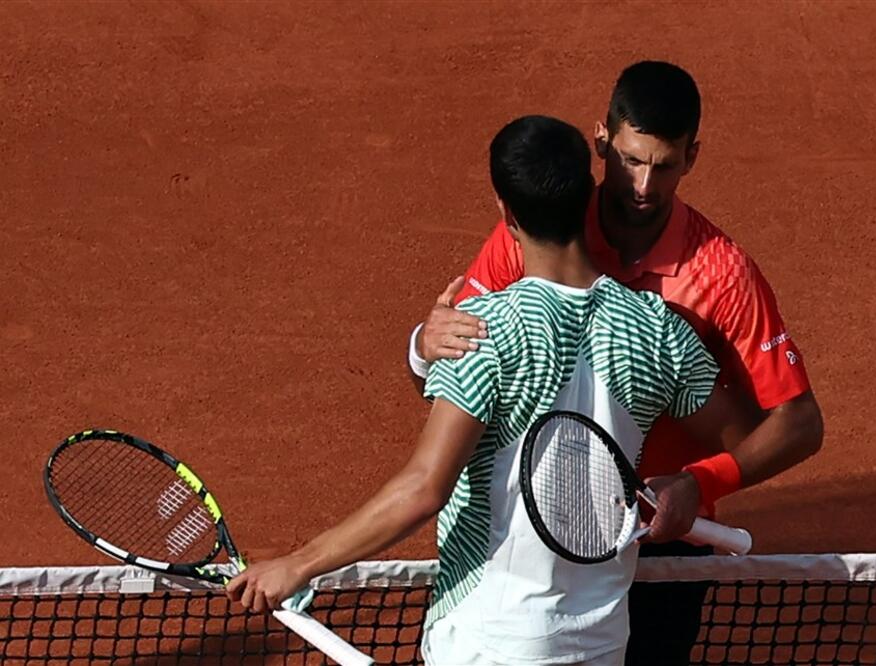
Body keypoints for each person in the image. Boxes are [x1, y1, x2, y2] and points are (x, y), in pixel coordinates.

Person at [228, 115, 760, 665]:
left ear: (504, 211)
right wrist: (693, 485)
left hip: (489, 640)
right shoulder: (657, 328)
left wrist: (299, 564)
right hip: (601, 643)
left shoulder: (483, 332)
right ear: (587, 195)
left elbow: (424, 488)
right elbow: (748, 437)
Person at [407, 61, 825, 664]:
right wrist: (424, 346)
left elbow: (800, 422)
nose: (645, 186)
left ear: (693, 156)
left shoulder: (722, 274)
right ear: (602, 141)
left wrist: (700, 482)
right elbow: (454, 362)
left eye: (665, 166)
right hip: (538, 524)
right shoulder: (537, 233)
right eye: (631, 159)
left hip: (661, 532)